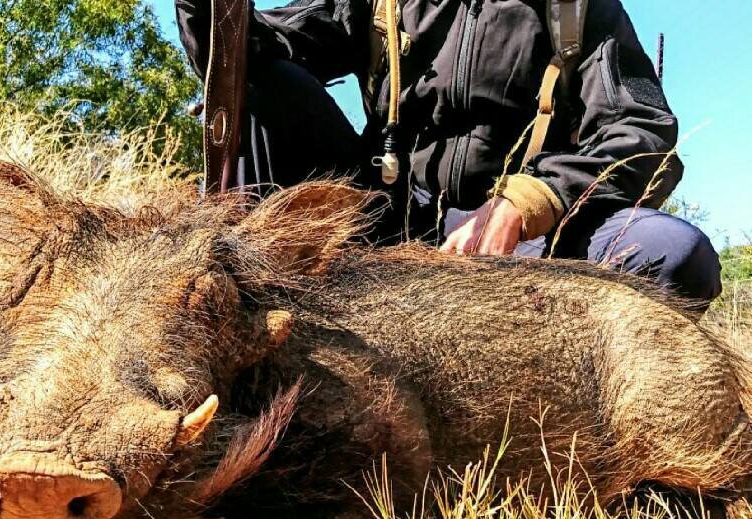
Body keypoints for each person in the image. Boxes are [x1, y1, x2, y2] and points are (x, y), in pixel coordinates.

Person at [176, 0, 722, 302]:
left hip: (519, 245)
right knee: (256, 82)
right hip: (382, 218)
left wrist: (530, 199)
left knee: (674, 256)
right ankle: (241, 318)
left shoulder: (580, 11)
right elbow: (241, 47)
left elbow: (641, 129)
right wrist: (206, 11)